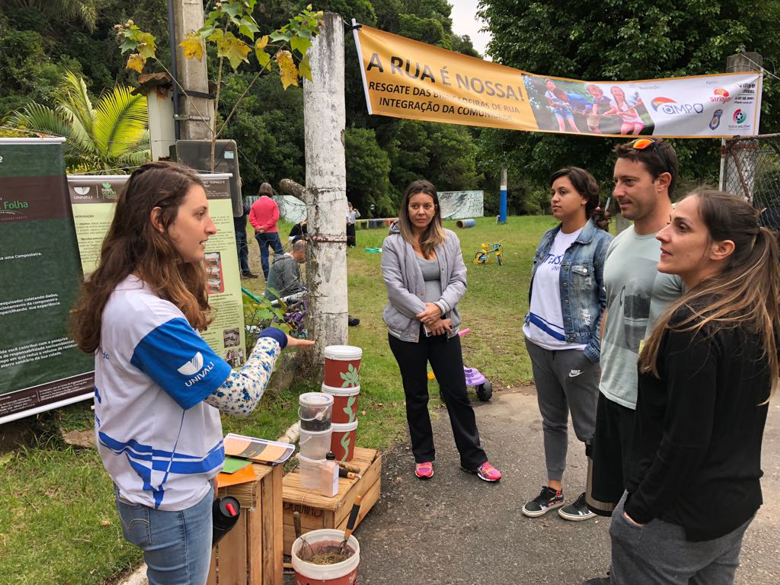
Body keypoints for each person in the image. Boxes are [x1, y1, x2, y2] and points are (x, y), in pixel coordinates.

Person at [71, 161, 313, 585]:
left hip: (155, 482)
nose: (211, 228)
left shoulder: (130, 292)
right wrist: (272, 339)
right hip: (169, 498)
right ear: (159, 221)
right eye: (198, 214)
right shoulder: (148, 316)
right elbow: (239, 395)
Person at [598, 190, 779, 585]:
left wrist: (636, 513)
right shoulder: (753, 311)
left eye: (680, 227)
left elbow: (686, 440)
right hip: (732, 507)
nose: (663, 235)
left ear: (721, 248)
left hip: (675, 518)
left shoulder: (692, 325)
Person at [382, 179, 501, 482]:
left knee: (457, 393)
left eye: (426, 205)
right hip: (407, 332)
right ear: (406, 208)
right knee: (416, 394)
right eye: (415, 206)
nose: (421, 211)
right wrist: (430, 317)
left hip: (445, 328)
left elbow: (459, 280)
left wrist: (440, 308)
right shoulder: (393, 243)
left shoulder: (449, 239)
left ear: (435, 208)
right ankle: (423, 455)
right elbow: (395, 289)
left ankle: (474, 458)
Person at [521, 168, 612, 522]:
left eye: (563, 192)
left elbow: (610, 300)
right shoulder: (548, 237)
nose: (554, 198)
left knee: (589, 428)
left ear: (585, 198)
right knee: (552, 421)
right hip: (539, 345)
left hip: (576, 349)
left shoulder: (602, 244)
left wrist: (592, 351)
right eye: (553, 191)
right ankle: (554, 489)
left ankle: (596, 495)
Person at [249, 182, 284, 281]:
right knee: (279, 253)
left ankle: (267, 278)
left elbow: (251, 218)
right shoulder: (273, 203)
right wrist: (265, 227)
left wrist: (258, 227)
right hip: (272, 232)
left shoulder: (254, 204)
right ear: (270, 191)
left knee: (264, 254)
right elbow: (275, 217)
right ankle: (280, 274)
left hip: (259, 233)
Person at [235, 200, 257, 278]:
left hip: (242, 230)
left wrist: (242, 204)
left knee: (244, 251)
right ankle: (236, 273)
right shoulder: (232, 202)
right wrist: (242, 205)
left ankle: (246, 272)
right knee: (237, 253)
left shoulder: (240, 201)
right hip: (236, 230)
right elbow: (245, 209)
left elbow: (248, 210)